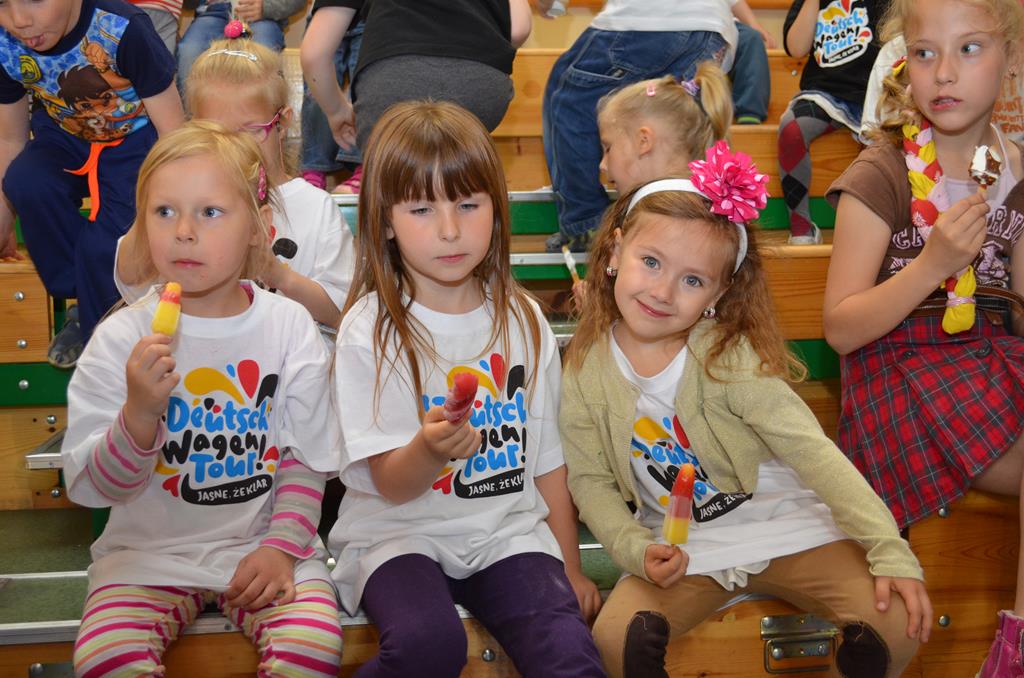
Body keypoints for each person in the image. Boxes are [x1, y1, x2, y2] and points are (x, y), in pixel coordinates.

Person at [561, 141, 932, 678]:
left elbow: (812, 453)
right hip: (686, 549)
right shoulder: (584, 367)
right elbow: (590, 480)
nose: (663, 292)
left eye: (692, 280)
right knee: (618, 643)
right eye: (651, 262)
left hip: (788, 527)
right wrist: (634, 548)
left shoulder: (728, 357)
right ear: (615, 252)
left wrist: (887, 547)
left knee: (896, 624)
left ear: (719, 292)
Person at [329, 100, 605, 678]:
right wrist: (429, 449)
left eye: (468, 204)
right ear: (385, 221)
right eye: (421, 208)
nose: (450, 229)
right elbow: (392, 485)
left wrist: (570, 567)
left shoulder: (524, 319)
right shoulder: (369, 329)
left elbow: (547, 462)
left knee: (570, 652)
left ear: (496, 211)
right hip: (397, 536)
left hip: (505, 535)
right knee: (429, 644)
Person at [62, 121, 343, 677]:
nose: (184, 232)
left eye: (210, 212)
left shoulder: (289, 327)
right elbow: (97, 488)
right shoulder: (120, 339)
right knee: (106, 659)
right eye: (164, 212)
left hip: (267, 545)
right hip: (144, 560)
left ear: (258, 229)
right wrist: (139, 415)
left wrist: (281, 549)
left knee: (311, 649)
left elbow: (306, 458)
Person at [823, 0, 1024, 672]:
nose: (944, 72)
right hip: (901, 371)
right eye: (925, 51)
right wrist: (934, 265)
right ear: (904, 63)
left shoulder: (1017, 174)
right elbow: (840, 328)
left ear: (1010, 59)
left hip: (990, 362)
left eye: (969, 48)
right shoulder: (880, 174)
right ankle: (1016, 651)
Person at [118, 39, 355, 337]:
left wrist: (279, 276)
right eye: (216, 133)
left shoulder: (316, 207)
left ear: (282, 123)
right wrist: (160, 201)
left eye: (250, 131)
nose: (235, 149)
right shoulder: (184, 204)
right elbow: (131, 276)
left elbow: (341, 315)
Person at [0, 0, 183, 367]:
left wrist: (174, 205)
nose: (19, 20)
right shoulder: (5, 43)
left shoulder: (124, 29)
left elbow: (173, 133)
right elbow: (9, 139)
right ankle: (86, 302)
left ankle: (103, 321)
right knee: (26, 180)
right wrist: (4, 217)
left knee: (106, 245)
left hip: (136, 140)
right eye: (2, 4)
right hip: (65, 136)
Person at [539, 0, 745, 253]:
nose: (603, 165)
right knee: (676, 129)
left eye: (607, 149)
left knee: (568, 98)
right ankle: (680, 220)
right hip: (716, 28)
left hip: (648, 16)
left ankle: (586, 223)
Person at [300, 0, 532, 156]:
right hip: (480, 81)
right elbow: (519, 28)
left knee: (391, 185)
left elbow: (314, 53)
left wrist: (337, 111)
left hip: (393, 79)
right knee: (460, 176)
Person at [778, 0, 888, 244]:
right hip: (824, 95)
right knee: (792, 128)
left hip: (874, 94)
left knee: (879, 153)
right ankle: (801, 228)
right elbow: (796, 48)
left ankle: (870, 230)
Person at [596, 61, 732, 195]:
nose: (602, 165)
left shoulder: (656, 210)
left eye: (608, 149)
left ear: (643, 141)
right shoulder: (697, 201)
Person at [175, 0, 304, 92]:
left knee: (262, 53)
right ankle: (193, 120)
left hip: (262, 15)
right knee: (189, 51)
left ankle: (263, 119)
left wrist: (267, 7)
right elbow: (187, 4)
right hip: (212, 11)